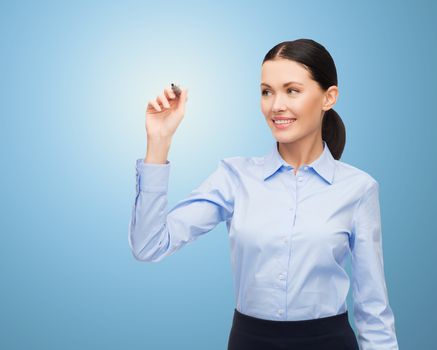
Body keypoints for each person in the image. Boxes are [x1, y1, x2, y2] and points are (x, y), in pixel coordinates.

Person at [128, 38, 399, 350]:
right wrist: (158, 141)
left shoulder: (358, 188)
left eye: (292, 90)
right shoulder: (234, 177)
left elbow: (373, 308)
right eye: (266, 91)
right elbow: (149, 246)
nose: (276, 105)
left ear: (329, 97)